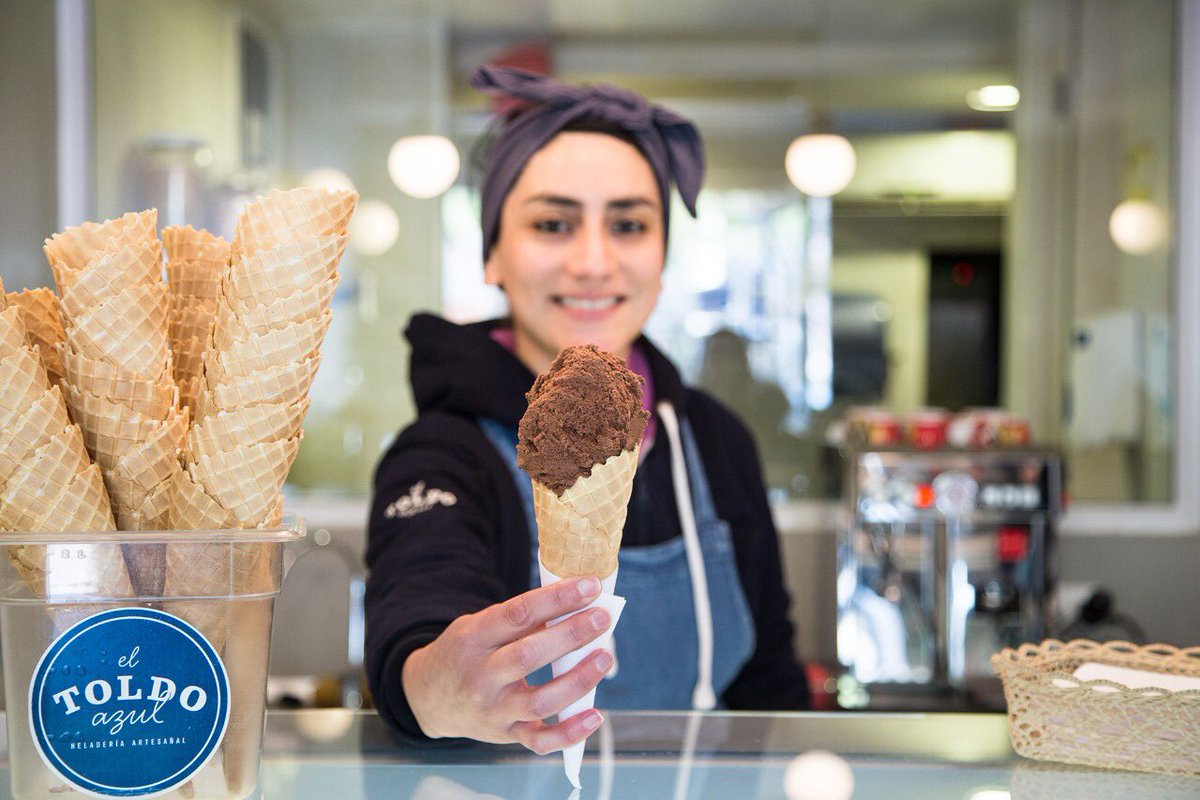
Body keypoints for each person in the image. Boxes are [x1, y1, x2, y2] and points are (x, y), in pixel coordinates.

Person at [365, 65, 809, 756]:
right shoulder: (444, 451)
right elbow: (418, 606)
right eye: (553, 223)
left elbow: (768, 685)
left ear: (662, 255)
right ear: (492, 254)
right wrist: (429, 683)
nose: (595, 261)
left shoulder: (716, 441)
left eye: (629, 224)